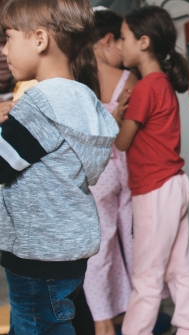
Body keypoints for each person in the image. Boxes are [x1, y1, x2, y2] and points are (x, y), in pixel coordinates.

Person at [0, 0, 119, 333]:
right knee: (60, 320)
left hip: (36, 254)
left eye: (8, 37)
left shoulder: (39, 105)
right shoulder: (81, 98)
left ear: (40, 40)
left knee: (34, 324)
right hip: (66, 252)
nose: (4, 49)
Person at [113, 6, 189, 334]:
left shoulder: (145, 87)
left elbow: (122, 143)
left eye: (123, 38)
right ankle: (188, 328)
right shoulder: (160, 83)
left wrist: (118, 116)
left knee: (147, 275)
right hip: (175, 185)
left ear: (144, 42)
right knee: (179, 266)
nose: (120, 45)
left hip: (153, 189)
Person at [80, 9, 139, 335]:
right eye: (120, 42)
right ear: (106, 41)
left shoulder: (78, 80)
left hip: (94, 176)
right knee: (126, 245)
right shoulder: (127, 80)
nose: (123, 52)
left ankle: (102, 319)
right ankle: (126, 313)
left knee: (99, 250)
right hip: (123, 171)